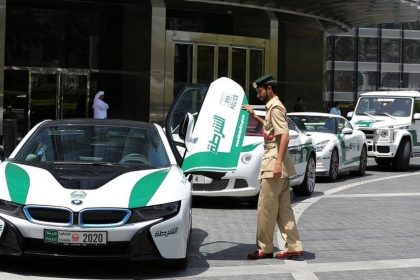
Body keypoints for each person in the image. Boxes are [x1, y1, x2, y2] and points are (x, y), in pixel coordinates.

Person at [243, 74, 303, 260]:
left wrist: (276, 163)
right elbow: (272, 130)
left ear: (269, 89)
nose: (258, 94)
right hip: (280, 165)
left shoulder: (275, 107)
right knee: (284, 209)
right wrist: (256, 116)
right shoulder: (274, 108)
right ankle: (293, 245)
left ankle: (265, 248)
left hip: (273, 164)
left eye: (260, 90)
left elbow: (284, 136)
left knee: (266, 209)